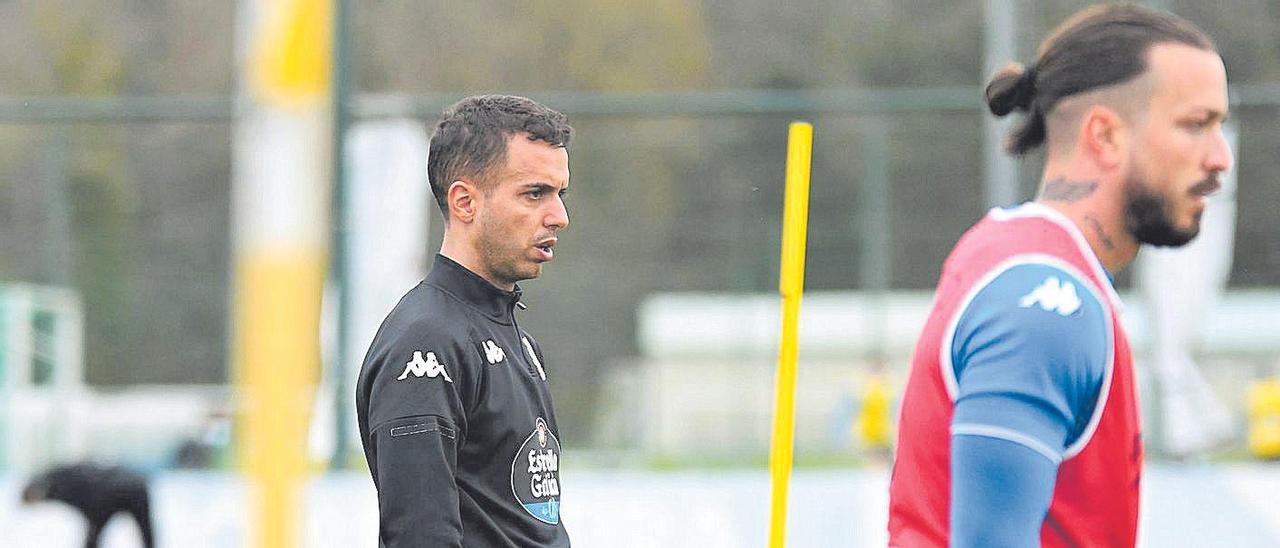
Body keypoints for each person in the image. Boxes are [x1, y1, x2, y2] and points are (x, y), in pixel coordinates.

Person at [888, 5, 1231, 547]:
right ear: (1104, 135)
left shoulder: (1021, 258)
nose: (1220, 157)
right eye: (1196, 125)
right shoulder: (1047, 305)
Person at [356, 95, 573, 547]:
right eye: (535, 194)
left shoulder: (518, 341)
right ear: (465, 202)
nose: (559, 217)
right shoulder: (425, 345)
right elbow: (420, 537)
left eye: (560, 194)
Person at [21, 462, 155, 548]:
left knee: (94, 534)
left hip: (114, 493)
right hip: (129, 487)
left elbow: (83, 498)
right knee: (146, 531)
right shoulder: (53, 482)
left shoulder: (56, 483)